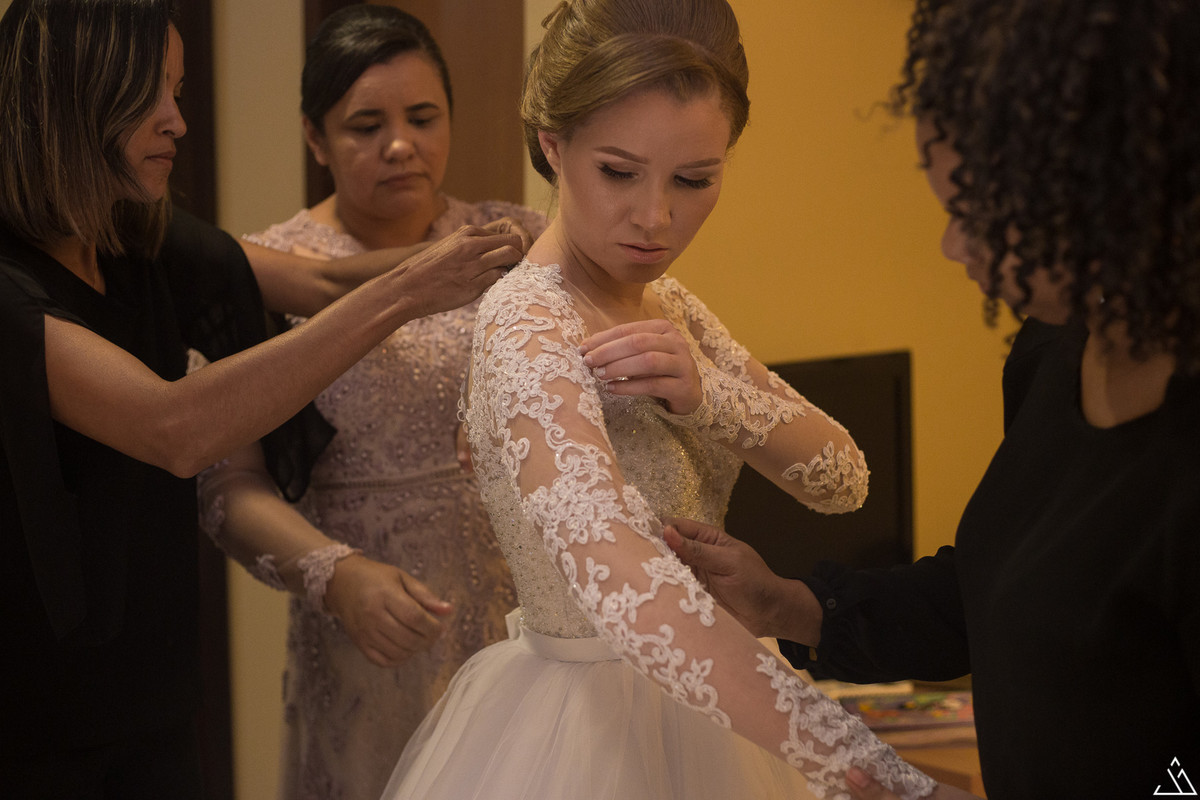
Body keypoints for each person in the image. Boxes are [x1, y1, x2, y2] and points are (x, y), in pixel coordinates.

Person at [379, 1, 977, 798]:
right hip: (580, 736)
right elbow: (621, 585)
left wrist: (708, 399)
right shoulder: (527, 321)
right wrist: (862, 764)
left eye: (695, 179)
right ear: (553, 146)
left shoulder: (675, 309)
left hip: (722, 703)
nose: (655, 217)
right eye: (619, 172)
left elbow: (841, 478)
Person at [665, 0, 1200, 798]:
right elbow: (994, 587)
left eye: (982, 213)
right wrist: (791, 605)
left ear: (1111, 185)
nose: (954, 245)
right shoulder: (1052, 356)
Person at [0, 1, 524, 797]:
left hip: (153, 675)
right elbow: (174, 427)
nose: (179, 122)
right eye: (154, 94)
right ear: (76, 95)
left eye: (179, 92)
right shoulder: (10, 287)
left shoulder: (135, 230)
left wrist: (505, 249)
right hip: (36, 697)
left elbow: (314, 280)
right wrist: (411, 292)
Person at [195, 6, 547, 799]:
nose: (401, 145)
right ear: (316, 140)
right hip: (370, 637)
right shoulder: (265, 276)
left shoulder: (514, 244)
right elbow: (225, 486)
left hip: (521, 624)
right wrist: (336, 573)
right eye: (365, 125)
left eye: (424, 117)